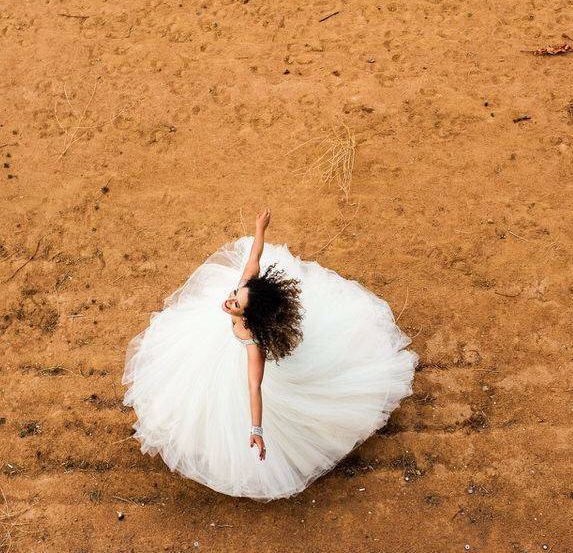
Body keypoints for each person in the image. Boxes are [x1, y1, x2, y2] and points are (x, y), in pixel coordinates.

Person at [122, 208, 418, 501]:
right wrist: (260, 228)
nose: (229, 301)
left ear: (250, 318)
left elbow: (254, 388)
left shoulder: (253, 345)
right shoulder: (244, 286)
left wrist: (257, 430)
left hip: (232, 362)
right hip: (211, 342)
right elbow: (254, 257)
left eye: (235, 305)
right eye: (235, 296)